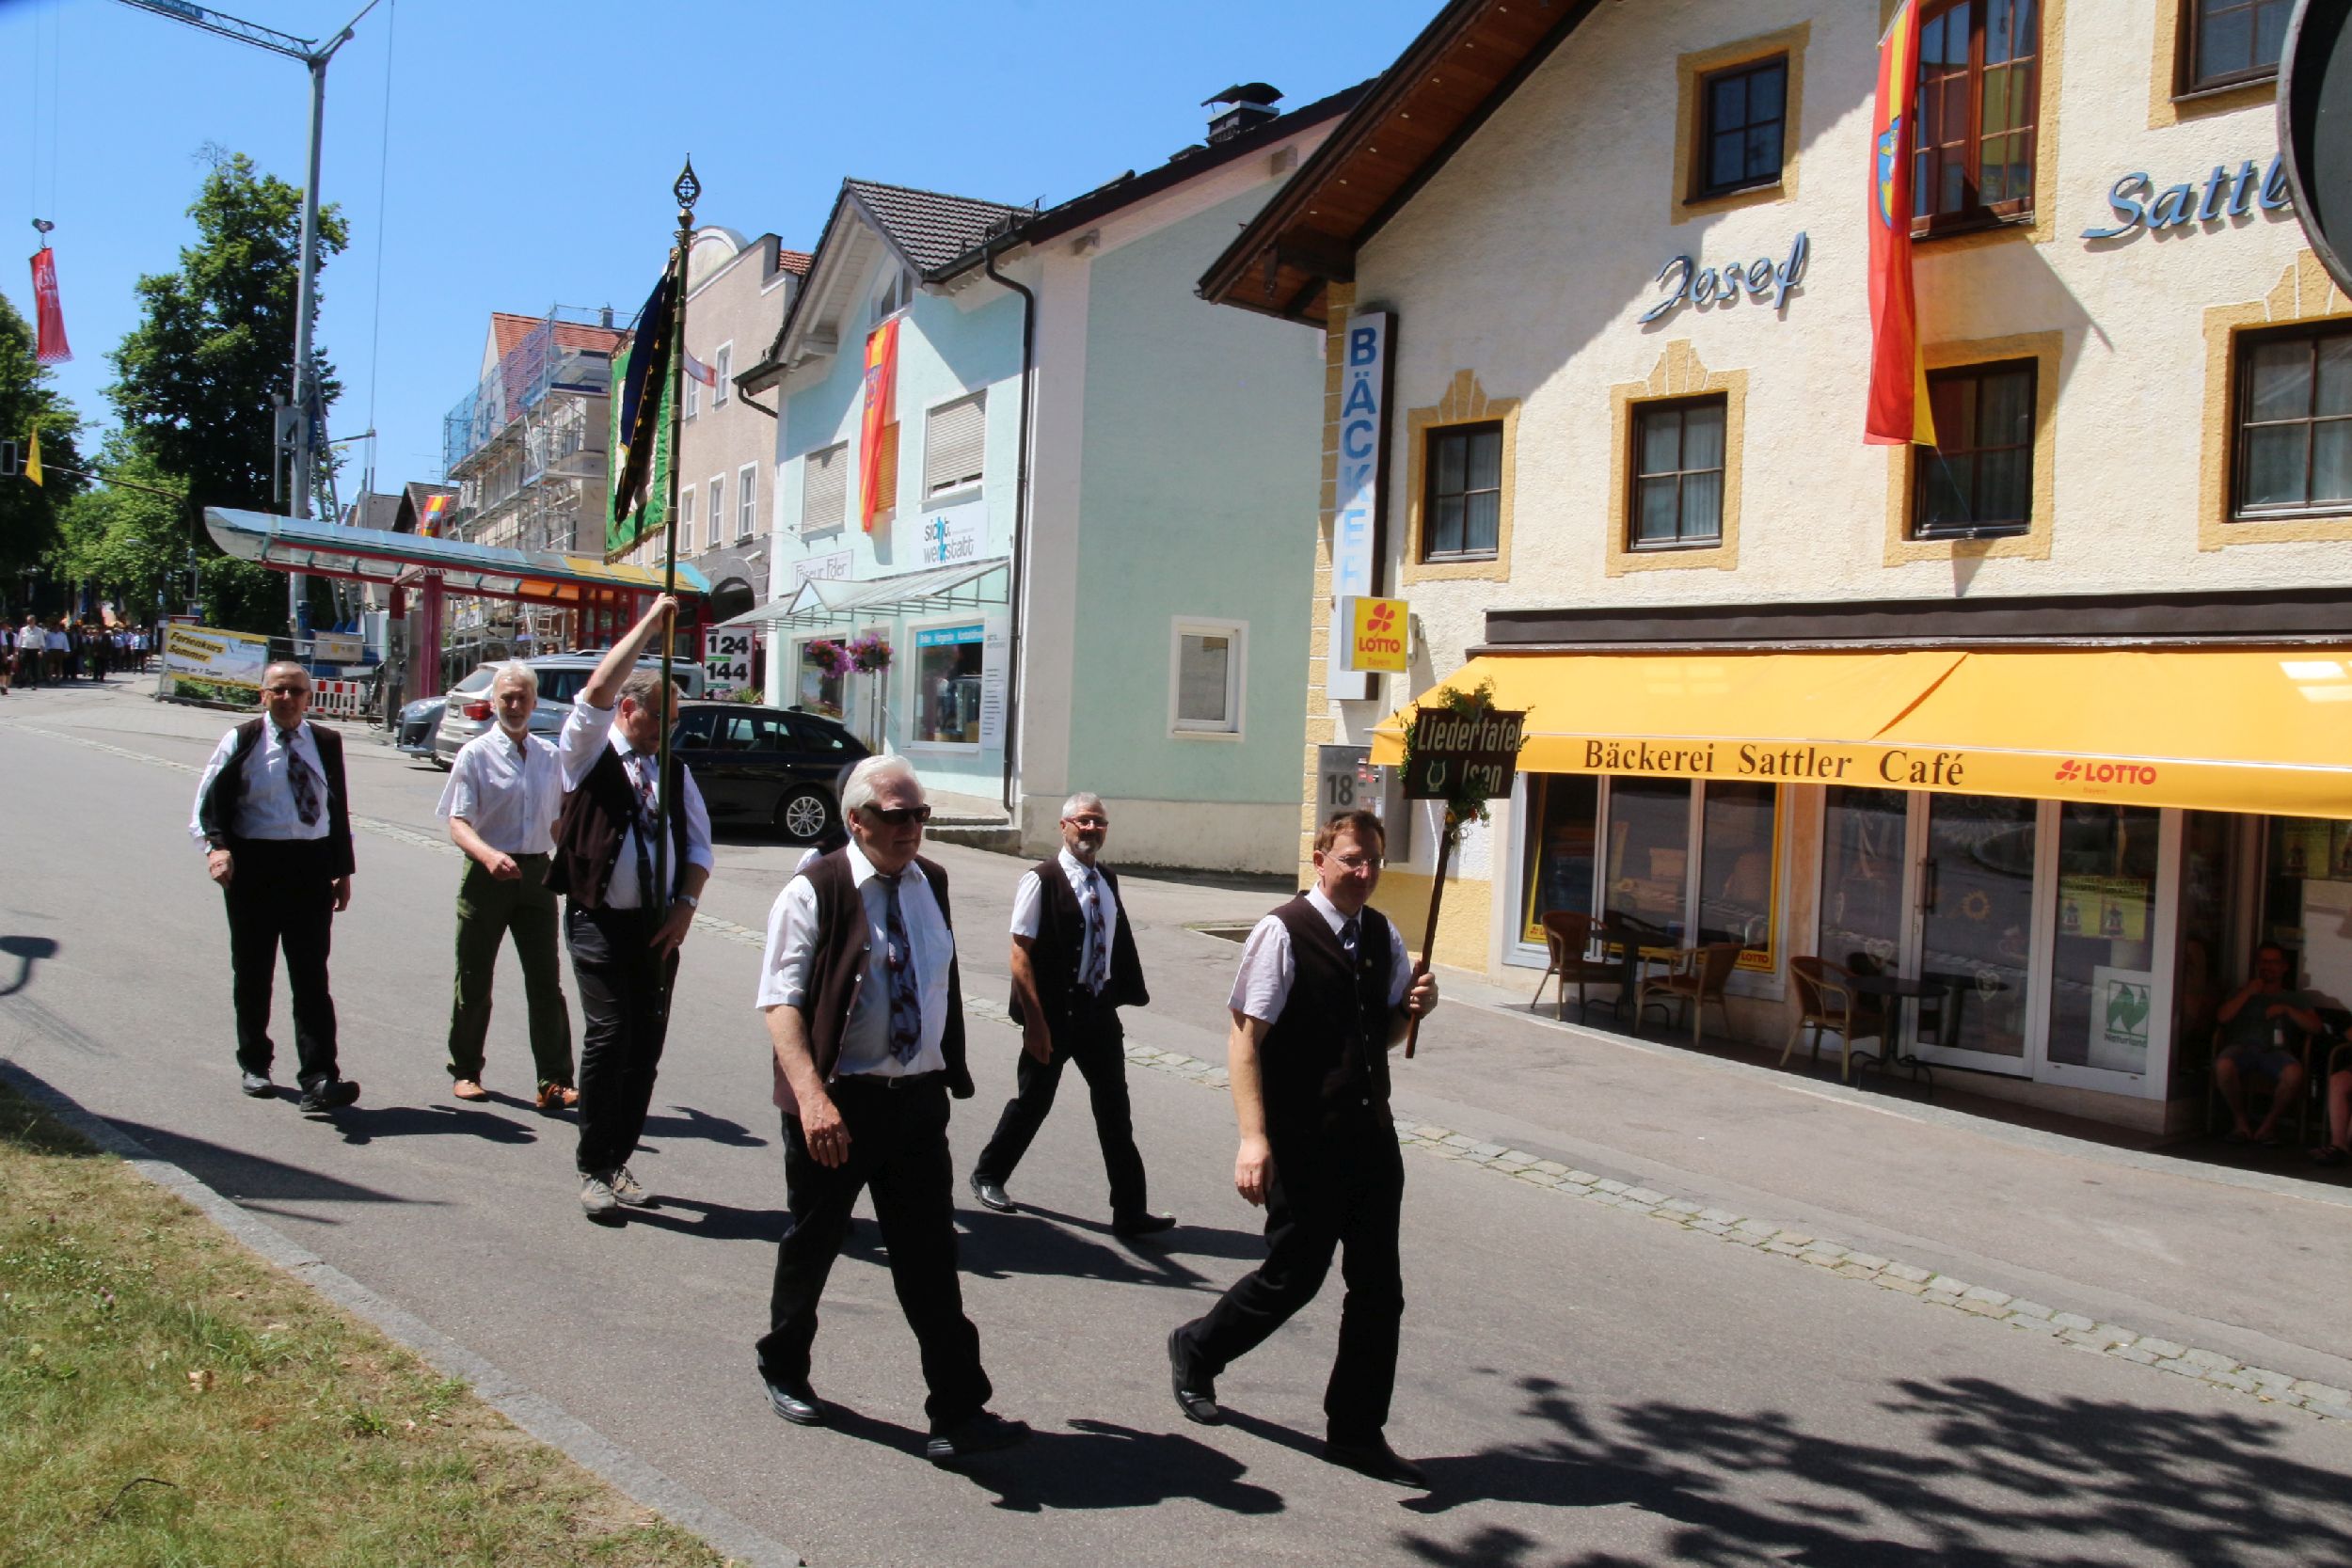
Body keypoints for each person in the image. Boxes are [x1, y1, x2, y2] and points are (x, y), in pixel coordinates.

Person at [753, 754, 1027, 1465]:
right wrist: (812, 1099)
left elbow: (939, 980)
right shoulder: (814, 889)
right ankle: (784, 1365)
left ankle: (958, 1408)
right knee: (813, 1243)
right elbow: (781, 1002)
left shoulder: (930, 881)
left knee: (930, 1258)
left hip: (915, 1102)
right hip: (837, 1102)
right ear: (857, 820)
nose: (912, 828)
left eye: (921, 814)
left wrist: (947, 1070)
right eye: (897, 815)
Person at [1168, 808, 1438, 1488]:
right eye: (1351, 858)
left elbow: (1384, 1030)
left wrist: (1415, 1008)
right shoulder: (1282, 931)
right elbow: (1244, 1038)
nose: (1365, 872)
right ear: (1320, 857)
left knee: (1380, 1289)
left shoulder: (1382, 934)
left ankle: (1355, 1430)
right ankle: (1198, 1346)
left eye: (1373, 860)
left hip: (1372, 1137)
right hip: (1304, 1140)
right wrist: (1253, 1138)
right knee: (1295, 1274)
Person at [547, 596, 711, 1221]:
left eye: (672, 721)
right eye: (656, 719)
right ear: (627, 709)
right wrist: (650, 624)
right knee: (610, 1035)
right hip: (598, 917)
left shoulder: (673, 768)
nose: (665, 731)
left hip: (656, 926)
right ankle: (592, 1166)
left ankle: (618, 1158)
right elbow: (593, 687)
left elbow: (698, 847)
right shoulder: (588, 750)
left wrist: (686, 907)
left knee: (645, 1046)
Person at [969, 792, 1174, 1236]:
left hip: (1097, 1014)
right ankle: (988, 1175)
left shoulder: (1108, 881)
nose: (1091, 829)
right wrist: (1034, 1022)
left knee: (1115, 1110)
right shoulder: (1041, 879)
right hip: (1053, 1014)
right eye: (1082, 821)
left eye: (1099, 822)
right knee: (1033, 1101)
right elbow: (1020, 953)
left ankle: (1130, 1210)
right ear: (1063, 827)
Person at [188, 661, 360, 1113]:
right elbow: (207, 801)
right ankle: (255, 1063)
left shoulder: (326, 742)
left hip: (310, 866)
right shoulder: (243, 740)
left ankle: (320, 1077)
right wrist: (216, 848)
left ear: (309, 698)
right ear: (263, 695)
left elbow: (336, 807)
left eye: (296, 691)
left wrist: (343, 868)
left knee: (311, 976)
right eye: (278, 691)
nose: (288, 698)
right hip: (255, 866)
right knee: (253, 970)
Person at [437, 659, 577, 1111]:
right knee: (474, 978)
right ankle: (466, 1070)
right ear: (493, 702)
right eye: (506, 698)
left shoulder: (550, 757)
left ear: (535, 703)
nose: (514, 705)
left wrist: (572, 869)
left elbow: (557, 822)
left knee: (545, 983)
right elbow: (458, 822)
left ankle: (553, 1080)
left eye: (522, 698)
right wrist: (488, 855)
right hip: (485, 875)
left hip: (536, 876)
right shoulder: (475, 754)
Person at [2213, 942, 2323, 1147]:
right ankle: (2240, 1123)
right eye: (2263, 961)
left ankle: (2268, 1125)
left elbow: (2316, 1027)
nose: (2268, 966)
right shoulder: (2241, 991)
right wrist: (2248, 993)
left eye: (2274, 962)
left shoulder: (2294, 998)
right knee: (2223, 1065)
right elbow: (2222, 1018)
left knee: (2294, 1072)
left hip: (2275, 1052)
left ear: (2284, 967)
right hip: (2241, 1048)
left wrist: (2288, 1010)